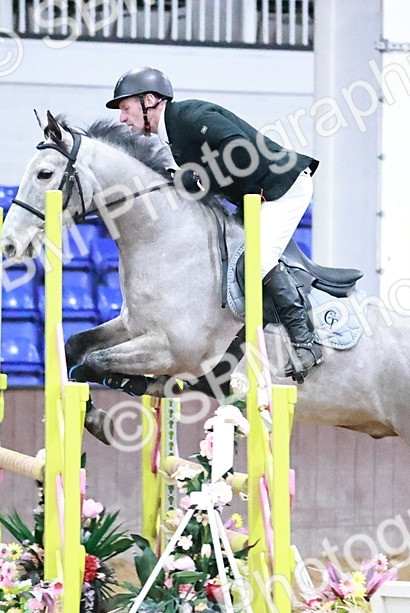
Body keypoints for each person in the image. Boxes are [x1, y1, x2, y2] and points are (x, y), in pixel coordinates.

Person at [106, 66, 323, 381]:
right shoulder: (172, 135)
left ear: (149, 100)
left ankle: (306, 342)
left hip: (283, 188)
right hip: (253, 196)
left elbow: (239, 151)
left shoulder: (191, 116)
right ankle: (228, 360)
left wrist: (197, 178)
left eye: (126, 108)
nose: (122, 118)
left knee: (257, 263)